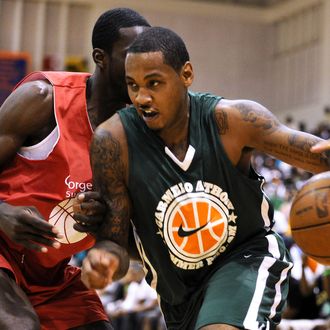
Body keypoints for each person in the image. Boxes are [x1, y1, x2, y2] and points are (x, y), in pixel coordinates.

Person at [80, 26, 330, 330]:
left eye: (154, 83)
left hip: (247, 258)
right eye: (132, 85)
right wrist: (103, 259)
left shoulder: (234, 121)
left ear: (186, 75)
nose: (141, 97)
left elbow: (318, 156)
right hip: (177, 294)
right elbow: (115, 242)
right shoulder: (113, 141)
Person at [0, 8, 150, 329]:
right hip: (2, 253)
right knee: (20, 324)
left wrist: (106, 244)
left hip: (53, 275)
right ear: (100, 57)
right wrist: (1, 212)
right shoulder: (42, 99)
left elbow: (123, 241)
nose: (143, 67)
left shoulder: (136, 136)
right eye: (131, 56)